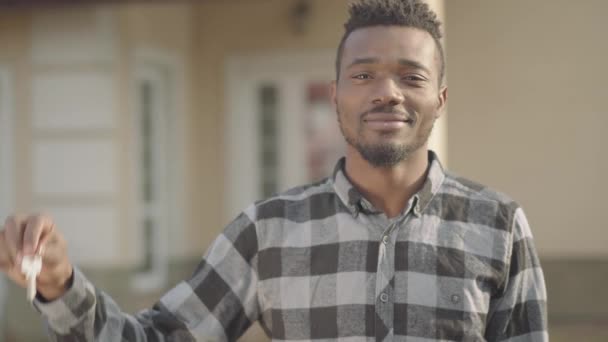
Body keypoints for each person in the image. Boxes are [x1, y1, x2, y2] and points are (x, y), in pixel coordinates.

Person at [0, 0, 548, 341]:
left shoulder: (499, 226)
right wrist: (58, 284)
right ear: (334, 96)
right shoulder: (267, 232)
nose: (387, 92)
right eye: (364, 76)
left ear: (441, 98)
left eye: (411, 76)